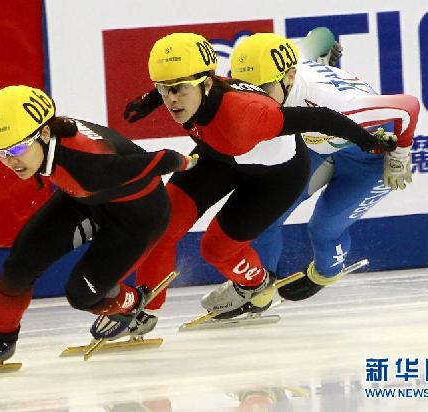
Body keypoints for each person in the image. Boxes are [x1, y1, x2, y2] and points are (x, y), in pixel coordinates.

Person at [123, 33, 396, 319]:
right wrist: (153, 97)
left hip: (291, 169)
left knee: (317, 230)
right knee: (163, 224)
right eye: (165, 89)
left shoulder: (251, 114)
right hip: (225, 153)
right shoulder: (199, 88)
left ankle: (291, 279)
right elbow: (322, 38)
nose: (172, 99)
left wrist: (376, 143)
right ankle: (144, 311)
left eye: (177, 89)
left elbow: (324, 118)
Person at [0, 85, 197, 367]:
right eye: (1, 152)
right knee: (20, 264)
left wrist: (181, 161)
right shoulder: (54, 136)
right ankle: (1, 340)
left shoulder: (87, 165)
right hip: (88, 199)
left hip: (138, 218)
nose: (11, 161)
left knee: (82, 295)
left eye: (18, 148)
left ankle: (131, 304)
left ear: (44, 134)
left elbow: (155, 160)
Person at [229, 32, 420, 303]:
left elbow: (408, 106)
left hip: (371, 159)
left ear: (290, 77)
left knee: (324, 230)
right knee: (266, 216)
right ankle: (258, 288)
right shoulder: (288, 61)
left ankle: (326, 272)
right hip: (322, 144)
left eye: (265, 90)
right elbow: (321, 36)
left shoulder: (340, 106)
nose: (257, 101)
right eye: (247, 91)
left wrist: (401, 154)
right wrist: (329, 51)